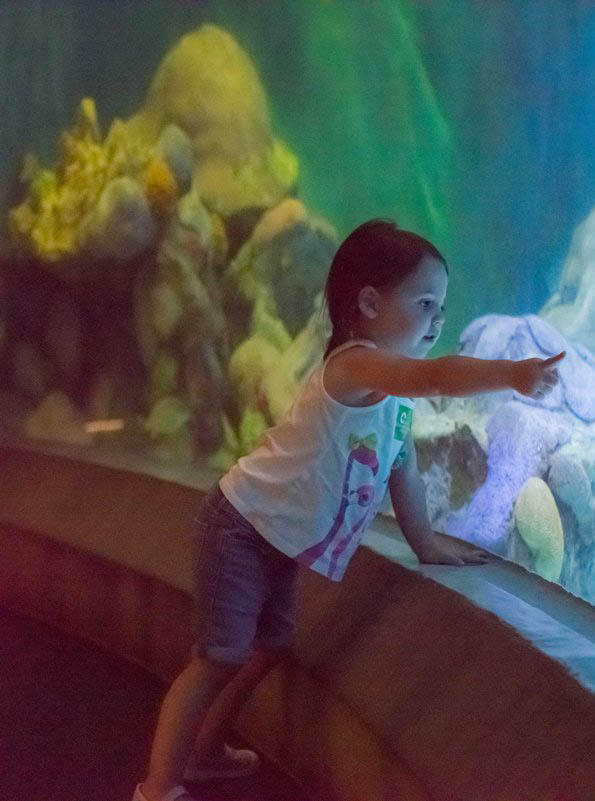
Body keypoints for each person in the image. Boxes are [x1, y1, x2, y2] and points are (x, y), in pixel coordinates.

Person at [133, 220, 564, 801]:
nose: (439, 320)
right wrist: (511, 375)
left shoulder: (393, 403)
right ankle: (156, 788)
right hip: (240, 526)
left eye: (444, 306)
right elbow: (431, 375)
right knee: (216, 659)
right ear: (368, 303)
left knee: (269, 648)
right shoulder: (356, 365)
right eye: (426, 302)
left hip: (277, 539)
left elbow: (402, 468)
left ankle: (206, 752)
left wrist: (427, 546)